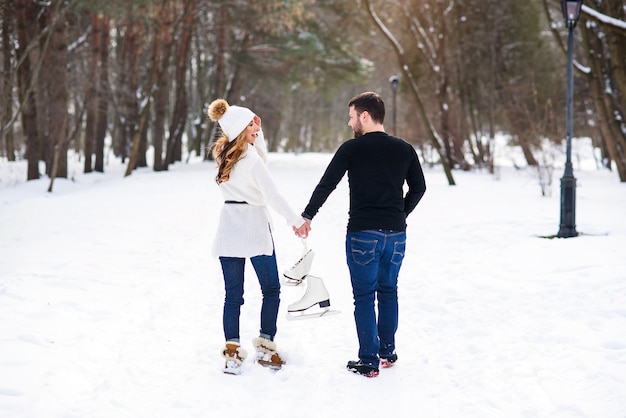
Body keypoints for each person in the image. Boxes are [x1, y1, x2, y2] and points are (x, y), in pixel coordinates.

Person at [295, 91, 426, 377]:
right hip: (396, 236)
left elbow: (327, 183)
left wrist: (307, 216)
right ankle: (387, 352)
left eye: (352, 116)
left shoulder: (351, 149)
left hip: (363, 233)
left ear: (365, 116)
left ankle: (368, 361)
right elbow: (419, 188)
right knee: (389, 291)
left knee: (365, 296)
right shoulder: (404, 149)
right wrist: (400, 214)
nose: (349, 122)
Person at [207, 98, 307, 375]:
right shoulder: (250, 159)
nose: (256, 127)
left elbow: (257, 156)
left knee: (233, 295)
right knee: (271, 289)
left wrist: (255, 133)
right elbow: (272, 194)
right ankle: (265, 346)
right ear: (241, 128)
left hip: (228, 228)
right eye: (251, 123)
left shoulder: (222, 154)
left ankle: (232, 352)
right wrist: (296, 221)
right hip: (254, 228)